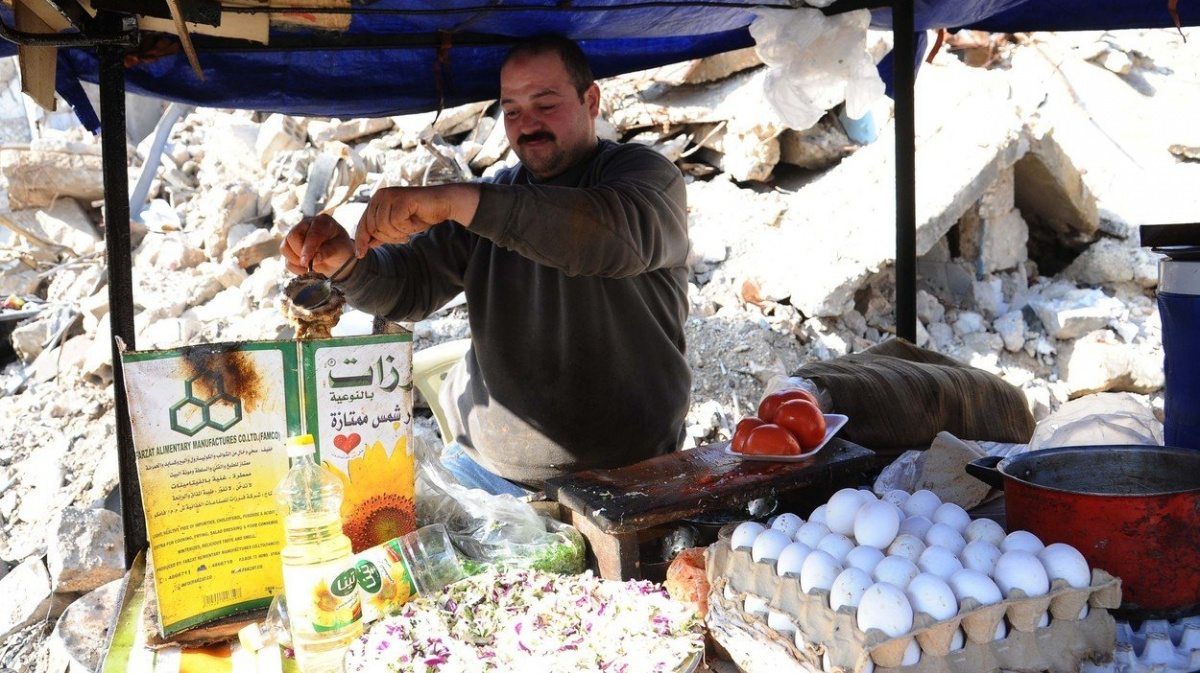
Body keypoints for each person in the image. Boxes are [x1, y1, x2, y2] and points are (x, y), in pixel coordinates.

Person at [280, 35, 691, 496]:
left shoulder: (646, 178)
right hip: (484, 472)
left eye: (545, 104)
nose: (526, 124)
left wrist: (458, 198)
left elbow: (611, 239)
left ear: (591, 100)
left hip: (629, 477)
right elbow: (408, 287)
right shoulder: (488, 200)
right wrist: (345, 263)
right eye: (511, 110)